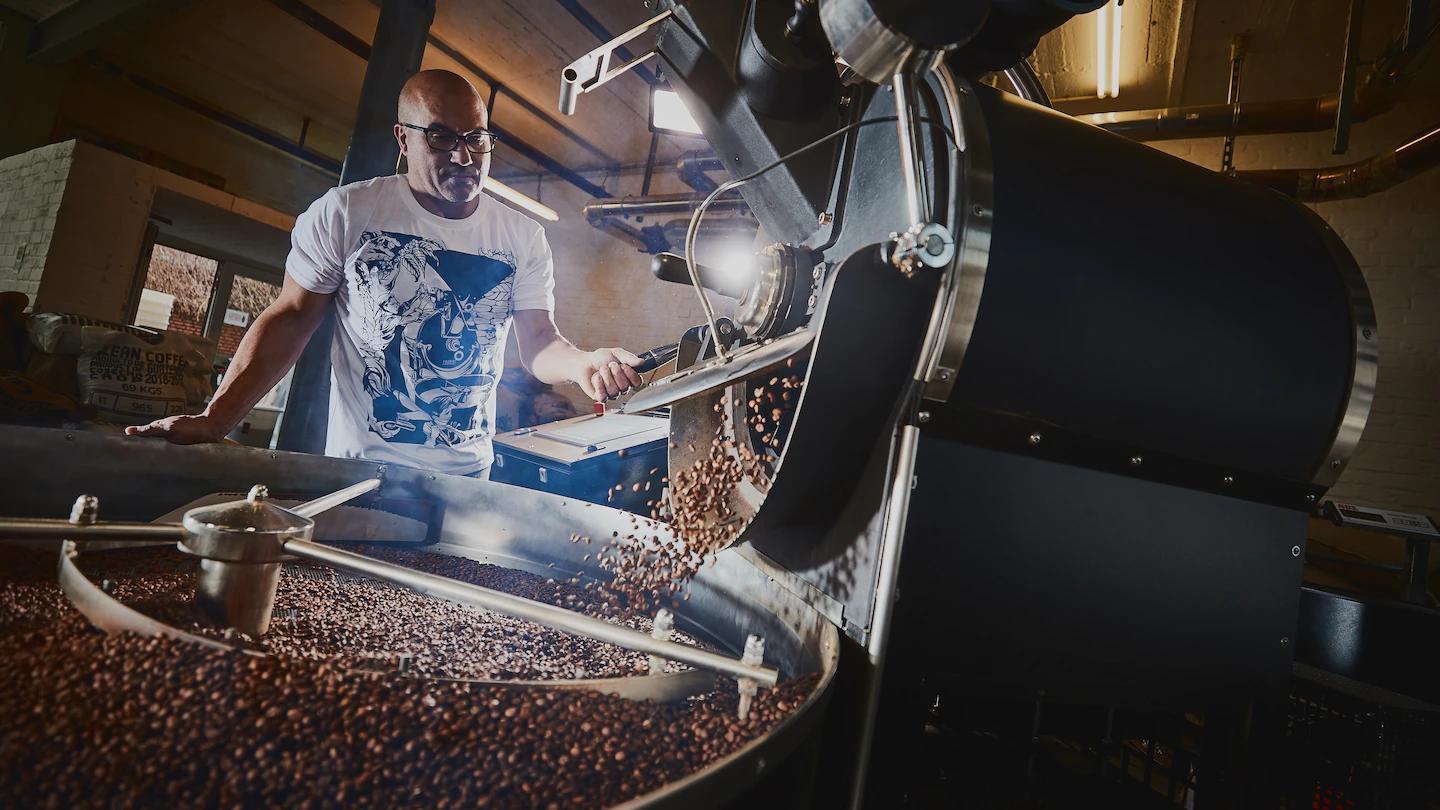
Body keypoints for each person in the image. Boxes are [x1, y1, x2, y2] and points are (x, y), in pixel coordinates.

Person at [127, 69, 644, 478]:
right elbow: (290, 320)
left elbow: (539, 343)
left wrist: (583, 365)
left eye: (476, 139)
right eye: (440, 138)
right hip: (361, 471)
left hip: (468, 475)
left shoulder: (522, 236)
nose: (464, 156)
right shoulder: (349, 213)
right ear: (403, 137)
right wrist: (216, 420)